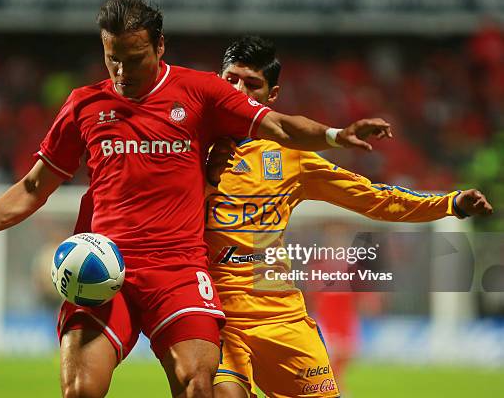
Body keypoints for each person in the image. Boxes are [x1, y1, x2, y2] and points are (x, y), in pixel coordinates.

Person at [0, 0, 393, 398]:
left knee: (198, 384)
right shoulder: (84, 105)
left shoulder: (202, 92)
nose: (122, 70)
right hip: (103, 269)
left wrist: (334, 134)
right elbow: (31, 188)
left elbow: (279, 124)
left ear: (159, 46)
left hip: (178, 270)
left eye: (134, 56)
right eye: (112, 58)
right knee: (80, 388)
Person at [204, 35, 493, 398]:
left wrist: (448, 205)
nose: (238, 90)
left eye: (252, 84)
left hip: (279, 315)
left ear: (271, 97)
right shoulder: (188, 147)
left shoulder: (291, 156)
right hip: (213, 313)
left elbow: (374, 199)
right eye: (231, 79)